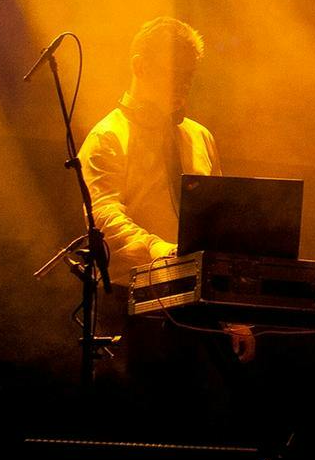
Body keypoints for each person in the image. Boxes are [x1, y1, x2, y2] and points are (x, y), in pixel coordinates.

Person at [79, 17, 220, 284]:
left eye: (188, 75)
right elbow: (103, 217)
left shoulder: (200, 137)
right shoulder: (107, 137)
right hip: (130, 290)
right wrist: (158, 249)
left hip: (194, 292)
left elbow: (216, 215)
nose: (184, 84)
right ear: (139, 66)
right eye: (173, 72)